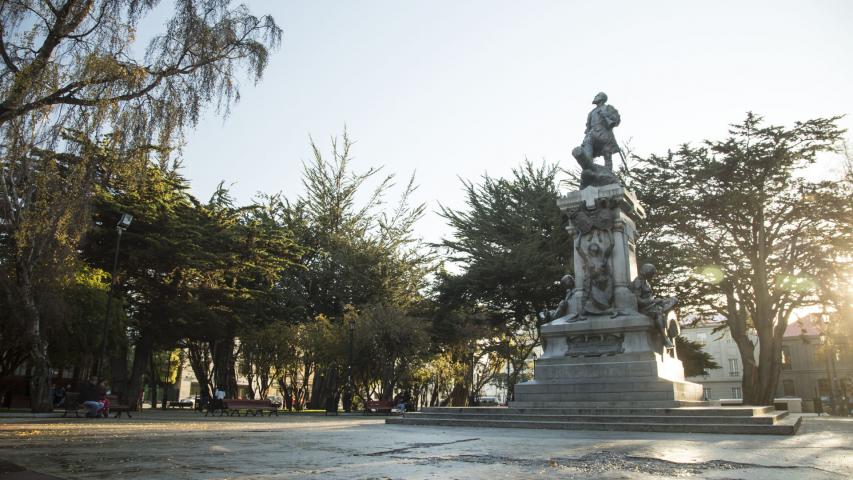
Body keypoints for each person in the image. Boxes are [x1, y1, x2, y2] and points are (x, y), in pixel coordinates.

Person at [631, 264, 679, 348]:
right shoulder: (638, 282)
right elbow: (638, 301)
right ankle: (664, 338)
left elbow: (649, 297)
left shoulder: (646, 281)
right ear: (647, 272)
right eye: (652, 273)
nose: (653, 275)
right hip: (644, 308)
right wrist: (653, 301)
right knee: (658, 312)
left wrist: (656, 300)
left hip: (652, 304)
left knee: (674, 299)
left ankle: (664, 311)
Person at [581, 92, 621, 171]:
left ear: (602, 98)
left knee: (607, 152)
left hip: (604, 132)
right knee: (587, 145)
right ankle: (589, 167)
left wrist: (606, 114)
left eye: (597, 95)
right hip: (592, 132)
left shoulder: (608, 107)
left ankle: (609, 172)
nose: (595, 97)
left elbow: (616, 120)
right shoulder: (591, 112)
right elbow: (588, 126)